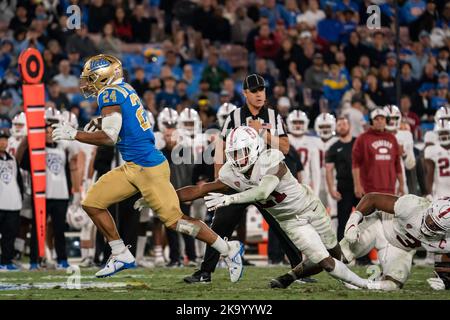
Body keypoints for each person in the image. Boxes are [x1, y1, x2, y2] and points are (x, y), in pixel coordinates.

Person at [51, 54, 243, 281]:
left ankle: (228, 249)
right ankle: (120, 252)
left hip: (148, 169)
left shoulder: (108, 93)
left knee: (176, 222)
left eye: (92, 78)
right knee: (92, 203)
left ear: (105, 76)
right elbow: (121, 122)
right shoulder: (123, 88)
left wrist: (75, 134)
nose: (89, 83)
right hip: (134, 166)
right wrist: (99, 122)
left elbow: (110, 137)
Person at [135, 126, 374, 289]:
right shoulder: (232, 171)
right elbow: (200, 190)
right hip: (289, 221)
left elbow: (262, 192)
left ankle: (326, 274)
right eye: (234, 154)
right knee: (323, 261)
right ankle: (357, 283)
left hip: (309, 207)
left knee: (334, 252)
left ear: (256, 147)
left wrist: (228, 199)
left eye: (242, 152)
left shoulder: (271, 158)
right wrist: (159, 197)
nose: (238, 159)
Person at [182, 73, 303, 283]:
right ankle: (205, 272)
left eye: (262, 90)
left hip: (265, 181)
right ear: (245, 93)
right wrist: (218, 178)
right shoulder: (235, 116)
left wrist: (262, 134)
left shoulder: (273, 116)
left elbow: (285, 146)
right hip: (239, 180)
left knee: (281, 225)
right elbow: (220, 145)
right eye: (254, 90)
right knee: (221, 224)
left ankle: (299, 270)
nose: (259, 94)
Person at [352, 107, 404, 200]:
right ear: (371, 122)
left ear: (386, 120)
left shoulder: (392, 138)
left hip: (390, 189)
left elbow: (397, 164)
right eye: (376, 119)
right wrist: (357, 185)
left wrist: (401, 184)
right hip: (369, 189)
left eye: (382, 118)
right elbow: (355, 164)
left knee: (388, 214)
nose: (380, 121)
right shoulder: (362, 138)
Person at [325, 116, 358, 241]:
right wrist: (332, 189)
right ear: (336, 128)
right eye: (339, 124)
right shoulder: (333, 147)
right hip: (344, 188)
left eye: (344, 123)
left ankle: (363, 257)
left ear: (350, 126)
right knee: (343, 221)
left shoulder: (358, 142)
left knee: (363, 221)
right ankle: (342, 255)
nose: (342, 126)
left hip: (359, 186)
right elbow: (328, 170)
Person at [0, 129, 23, 270]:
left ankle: (6, 261)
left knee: (10, 234)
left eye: (5, 140)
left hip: (13, 203)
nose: (3, 142)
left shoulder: (13, 159)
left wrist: (19, 197)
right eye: (1, 140)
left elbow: (18, 180)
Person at [286, 110, 321, 196]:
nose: (298, 125)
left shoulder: (312, 142)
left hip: (305, 185)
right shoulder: (284, 139)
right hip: (285, 184)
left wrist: (315, 194)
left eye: (300, 122)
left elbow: (315, 171)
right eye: (295, 122)